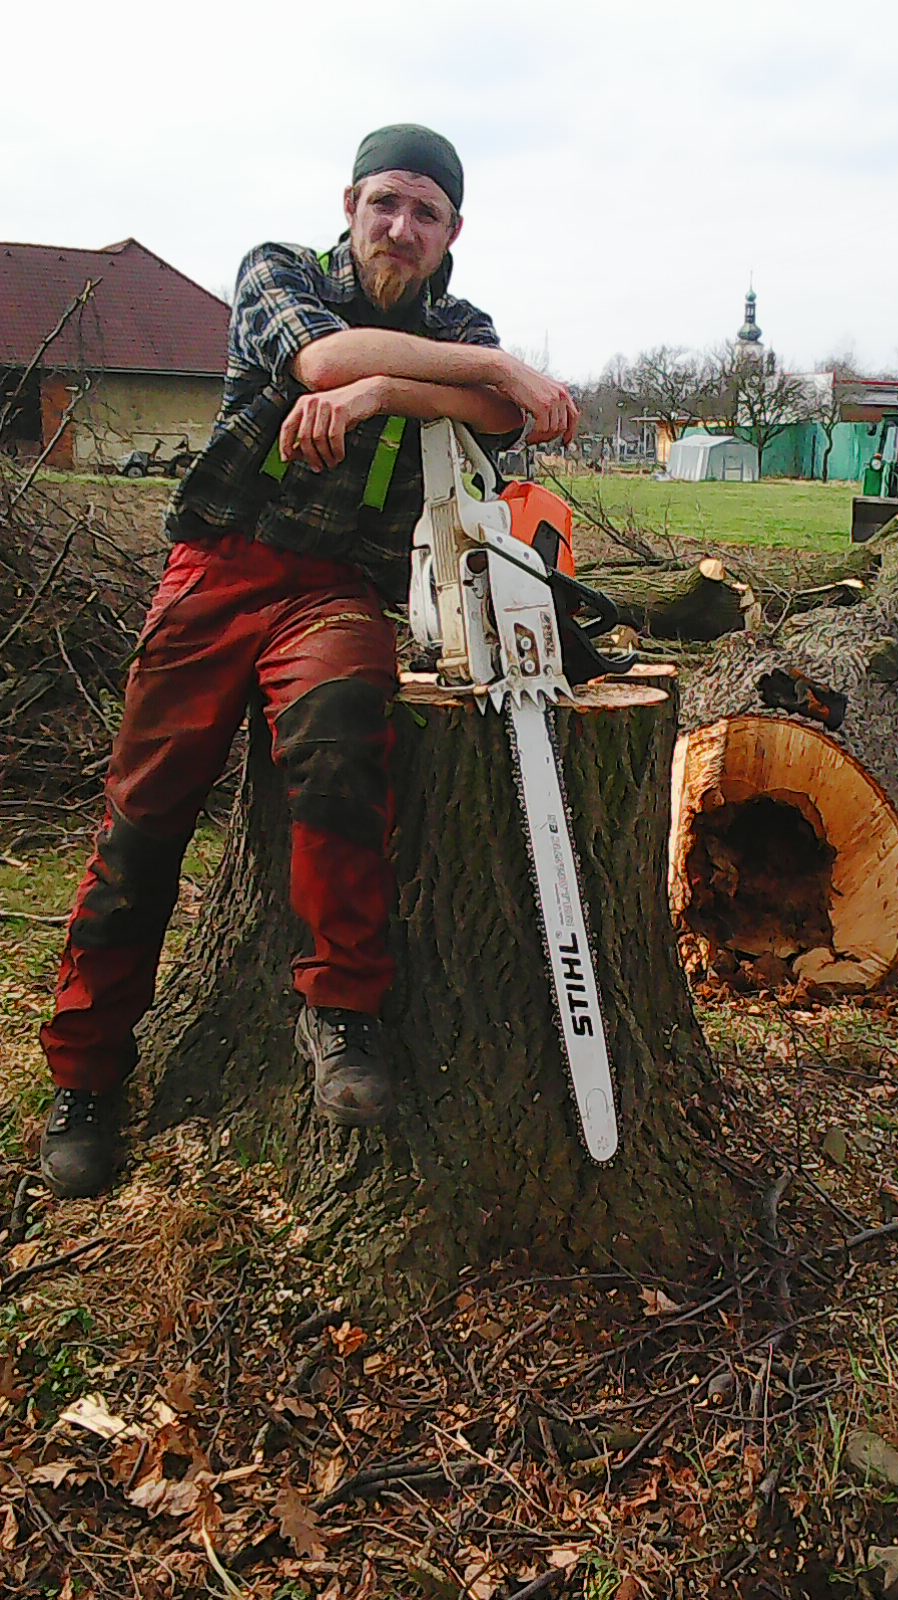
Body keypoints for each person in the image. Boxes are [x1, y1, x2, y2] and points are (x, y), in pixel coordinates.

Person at [37, 123, 579, 1199]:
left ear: (452, 230)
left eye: (426, 212)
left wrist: (386, 392)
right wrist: (483, 368)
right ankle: (87, 1075)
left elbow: (499, 420)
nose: (401, 226)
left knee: (340, 748)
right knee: (145, 821)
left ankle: (341, 1012)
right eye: (385, 202)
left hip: (336, 589)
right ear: (349, 204)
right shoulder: (278, 272)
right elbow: (330, 359)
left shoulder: (456, 316)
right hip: (220, 567)